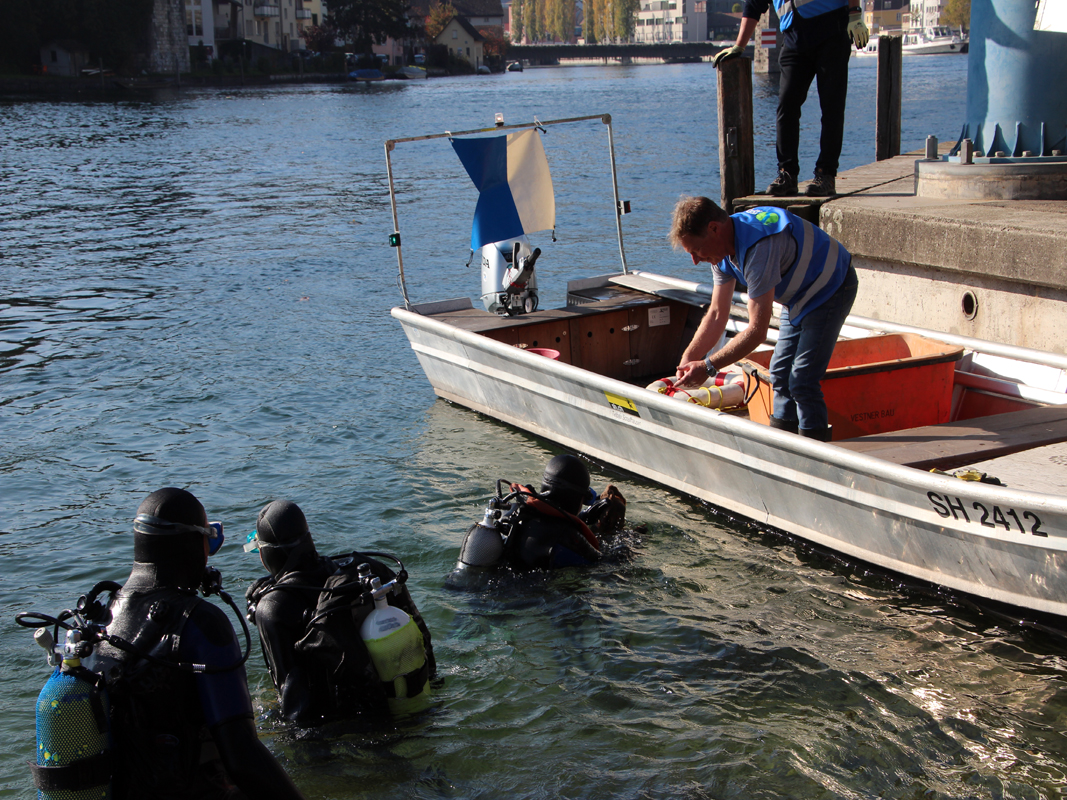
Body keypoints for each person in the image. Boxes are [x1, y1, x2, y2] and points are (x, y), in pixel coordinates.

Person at [87, 487, 306, 800]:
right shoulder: (199, 623)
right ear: (192, 543)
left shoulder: (98, 620)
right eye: (209, 539)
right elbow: (243, 756)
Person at [670, 195, 858, 441]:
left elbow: (757, 332)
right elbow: (716, 313)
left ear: (714, 229)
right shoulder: (719, 251)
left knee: (802, 380)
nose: (695, 261)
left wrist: (708, 366)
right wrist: (688, 360)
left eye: (696, 251)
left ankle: (814, 452)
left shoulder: (759, 247)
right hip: (797, 296)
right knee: (779, 373)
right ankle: (782, 445)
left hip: (831, 287)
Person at [244, 500, 435, 726]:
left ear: (266, 553)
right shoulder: (353, 574)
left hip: (347, 730)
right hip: (412, 704)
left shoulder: (273, 607)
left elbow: (297, 712)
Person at [711, 0, 869, 197]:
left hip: (831, 32)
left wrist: (855, 14)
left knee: (832, 108)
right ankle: (787, 174)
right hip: (794, 38)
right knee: (786, 107)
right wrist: (739, 46)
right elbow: (753, 5)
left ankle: (826, 174)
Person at [453, 454, 628, 577]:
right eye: (583, 499)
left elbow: (554, 520)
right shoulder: (564, 537)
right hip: (522, 605)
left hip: (489, 587)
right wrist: (624, 537)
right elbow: (604, 565)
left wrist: (585, 518)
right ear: (575, 498)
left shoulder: (516, 510)